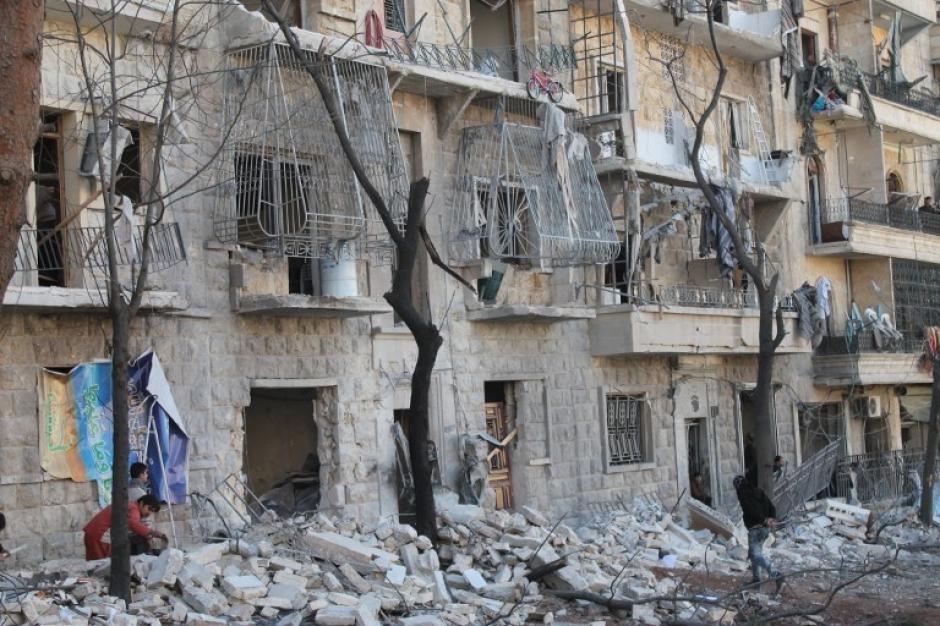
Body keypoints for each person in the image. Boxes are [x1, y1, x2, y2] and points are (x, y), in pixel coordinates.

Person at [734, 475, 783, 590]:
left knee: (755, 555)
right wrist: (771, 519)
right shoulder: (758, 491)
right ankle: (756, 581)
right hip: (765, 529)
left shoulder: (742, 493)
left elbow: (749, 509)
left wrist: (763, 520)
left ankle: (776, 574)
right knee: (754, 554)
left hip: (755, 529)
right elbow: (772, 507)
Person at [84, 494, 166, 560]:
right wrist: (153, 533)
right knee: (101, 565)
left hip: (92, 533)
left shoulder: (129, 505)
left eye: (153, 511)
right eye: (150, 509)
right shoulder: (134, 509)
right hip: (100, 535)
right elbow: (133, 524)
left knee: (93, 564)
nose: (150, 513)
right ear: (141, 503)